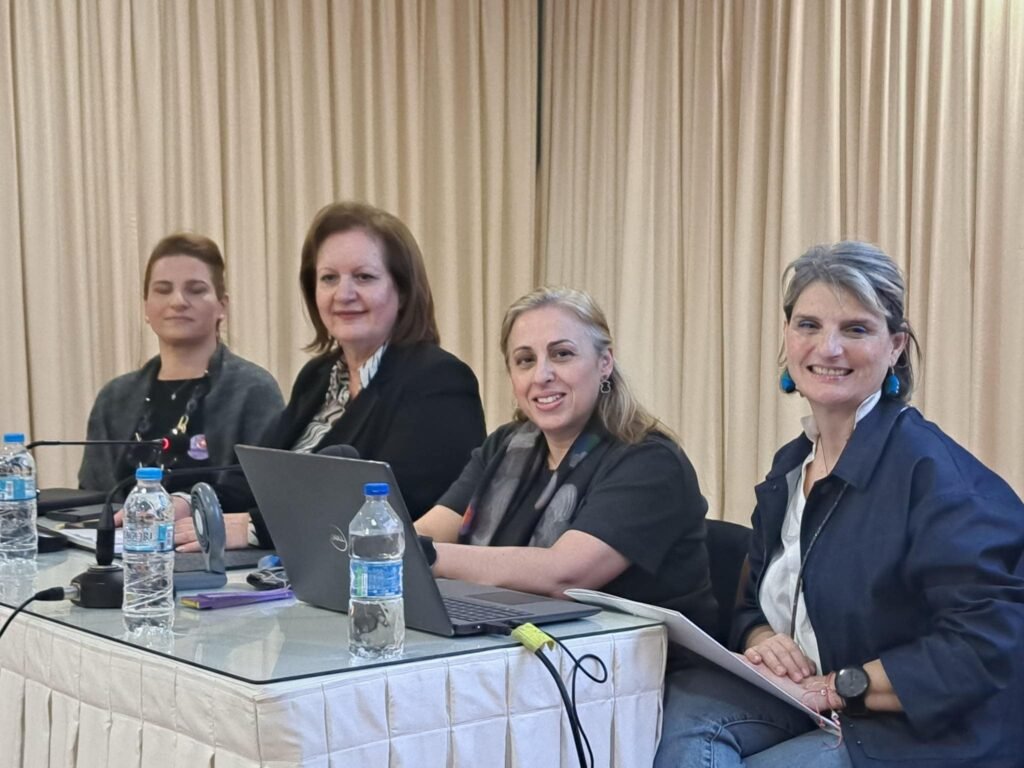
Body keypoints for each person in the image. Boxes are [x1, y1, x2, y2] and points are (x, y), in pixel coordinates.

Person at [655, 241, 1024, 767]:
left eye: (855, 329)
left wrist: (838, 686)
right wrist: (763, 636)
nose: (828, 348)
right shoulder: (790, 466)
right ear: (787, 336)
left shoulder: (936, 477)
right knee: (673, 721)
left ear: (895, 346)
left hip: (923, 729)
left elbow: (987, 645)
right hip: (809, 697)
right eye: (808, 325)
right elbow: (751, 603)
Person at [176, 200, 487, 551]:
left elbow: (398, 502)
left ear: (402, 291)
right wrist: (188, 502)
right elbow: (258, 478)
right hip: (278, 568)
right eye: (329, 278)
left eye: (364, 277)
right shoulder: (318, 376)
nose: (344, 294)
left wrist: (256, 529)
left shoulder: (439, 380)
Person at [414, 287, 717, 633]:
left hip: (644, 659)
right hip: (520, 644)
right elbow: (428, 530)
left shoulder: (650, 461)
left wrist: (423, 556)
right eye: (525, 360)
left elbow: (565, 575)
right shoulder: (504, 445)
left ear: (605, 363)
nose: (541, 375)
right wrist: (392, 544)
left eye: (561, 354)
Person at [79, 232, 283, 496]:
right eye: (163, 290)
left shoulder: (254, 391)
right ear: (146, 307)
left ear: (222, 306)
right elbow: (90, 496)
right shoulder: (114, 398)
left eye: (196, 290)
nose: (178, 302)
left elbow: (269, 494)